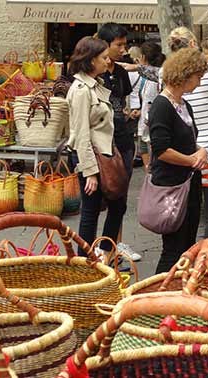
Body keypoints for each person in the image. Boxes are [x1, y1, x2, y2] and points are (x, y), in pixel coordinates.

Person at [121, 27, 208, 242]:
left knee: (189, 210)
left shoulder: (168, 71)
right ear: (194, 45)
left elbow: (147, 71)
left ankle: (193, 256)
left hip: (188, 148)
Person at [65, 36, 126, 257]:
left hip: (103, 154)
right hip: (91, 157)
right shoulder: (82, 90)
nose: (106, 61)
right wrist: (90, 172)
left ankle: (102, 253)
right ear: (91, 60)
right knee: (91, 211)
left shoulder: (95, 85)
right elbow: (80, 133)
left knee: (116, 206)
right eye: (102, 57)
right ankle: (85, 261)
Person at [149, 47, 208, 273]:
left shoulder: (183, 105)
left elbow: (188, 142)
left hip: (188, 184)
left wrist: (200, 151)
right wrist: (192, 159)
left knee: (186, 247)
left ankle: (177, 296)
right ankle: (158, 296)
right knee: (173, 249)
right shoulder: (162, 105)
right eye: (198, 77)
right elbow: (161, 150)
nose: (199, 83)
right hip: (172, 186)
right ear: (185, 74)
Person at [96, 23, 140, 261]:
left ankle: (113, 245)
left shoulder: (122, 73)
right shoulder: (94, 72)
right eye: (119, 45)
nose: (124, 49)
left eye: (125, 44)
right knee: (99, 199)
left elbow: (123, 101)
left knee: (120, 197)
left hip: (122, 139)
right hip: (101, 142)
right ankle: (98, 247)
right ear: (106, 44)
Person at [127, 43, 164, 171]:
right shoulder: (148, 77)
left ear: (142, 57)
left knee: (152, 165)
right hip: (146, 124)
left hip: (150, 126)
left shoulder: (154, 79)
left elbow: (152, 102)